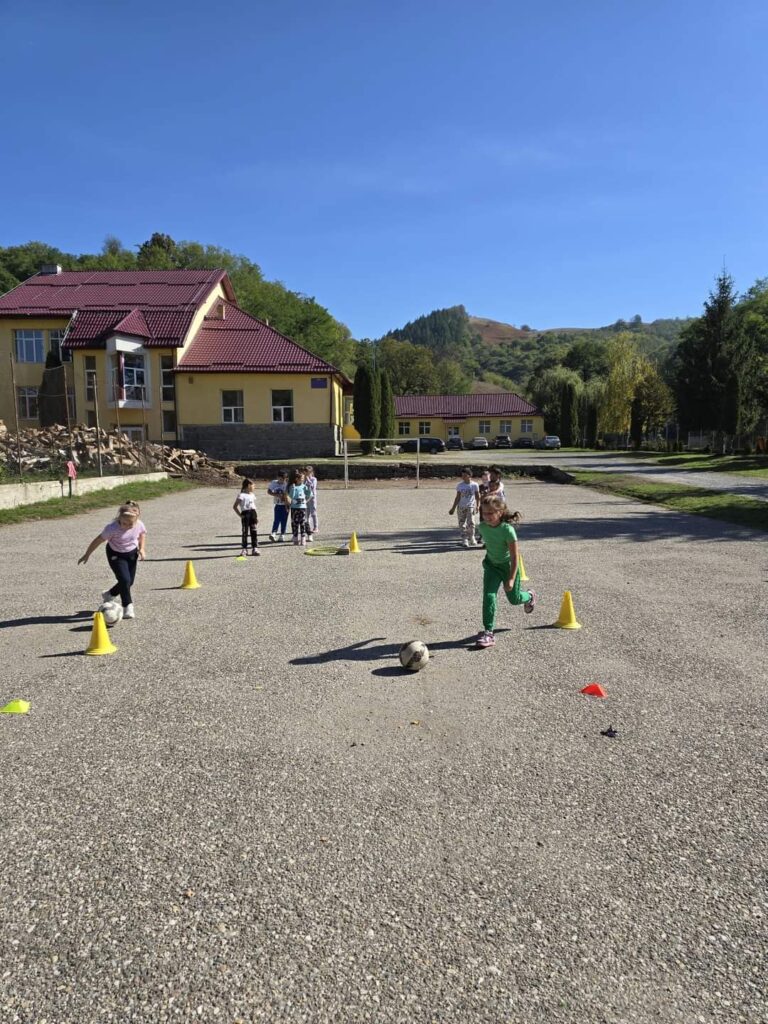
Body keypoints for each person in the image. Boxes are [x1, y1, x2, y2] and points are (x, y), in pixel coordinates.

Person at [474, 494, 536, 648]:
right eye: (484, 513)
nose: (487, 517)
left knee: (514, 599)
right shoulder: (482, 527)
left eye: (490, 513)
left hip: (508, 567)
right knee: (489, 596)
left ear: (500, 512)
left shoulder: (508, 530)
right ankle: (488, 632)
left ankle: (529, 596)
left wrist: (511, 578)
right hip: (491, 566)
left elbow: (515, 557)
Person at [78, 500, 147, 619]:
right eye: (124, 523)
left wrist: (142, 548)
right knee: (124, 580)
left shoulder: (139, 524)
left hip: (131, 554)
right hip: (115, 555)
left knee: (129, 582)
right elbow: (98, 540)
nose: (126, 526)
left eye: (130, 524)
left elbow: (142, 534)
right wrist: (87, 554)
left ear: (136, 520)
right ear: (119, 518)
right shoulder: (112, 528)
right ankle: (127, 606)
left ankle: (110, 594)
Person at [448, 467, 480, 547]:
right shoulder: (460, 485)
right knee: (462, 523)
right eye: (462, 475)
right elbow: (457, 497)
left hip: (470, 506)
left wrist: (478, 505)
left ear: (470, 475)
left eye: (465, 475)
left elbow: (477, 496)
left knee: (471, 522)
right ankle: (464, 539)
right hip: (461, 507)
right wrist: (453, 508)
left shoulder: (474, 485)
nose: (463, 477)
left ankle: (472, 537)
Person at [233, 477, 260, 556]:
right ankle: (244, 549)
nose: (254, 487)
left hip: (253, 514)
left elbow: (253, 506)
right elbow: (235, 506)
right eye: (253, 485)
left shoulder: (252, 495)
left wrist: (256, 517)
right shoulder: (241, 495)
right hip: (245, 514)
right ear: (249, 485)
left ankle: (255, 548)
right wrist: (240, 515)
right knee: (245, 532)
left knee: (254, 531)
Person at [285, 469, 312, 545]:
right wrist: (293, 489)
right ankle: (295, 538)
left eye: (303, 478)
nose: (303, 480)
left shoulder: (304, 486)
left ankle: (303, 538)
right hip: (294, 508)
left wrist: (306, 500)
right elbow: (291, 496)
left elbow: (310, 494)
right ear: (297, 479)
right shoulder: (292, 486)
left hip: (302, 508)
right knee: (295, 523)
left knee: (303, 523)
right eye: (302, 478)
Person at [268, 470, 289, 542]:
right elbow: (269, 491)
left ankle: (282, 534)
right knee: (276, 519)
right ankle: (274, 533)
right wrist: (276, 495)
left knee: (284, 520)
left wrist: (285, 499)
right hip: (277, 504)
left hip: (286, 505)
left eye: (284, 479)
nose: (282, 481)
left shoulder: (287, 484)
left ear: (286, 479)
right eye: (280, 479)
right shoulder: (274, 482)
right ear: (277, 477)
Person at [304, 465, 319, 535]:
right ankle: (308, 527)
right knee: (307, 513)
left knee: (313, 512)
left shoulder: (314, 479)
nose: (307, 474)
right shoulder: (304, 479)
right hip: (306, 498)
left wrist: (308, 480)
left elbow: (313, 487)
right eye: (306, 473)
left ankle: (316, 527)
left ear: (311, 472)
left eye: (308, 473)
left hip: (312, 498)